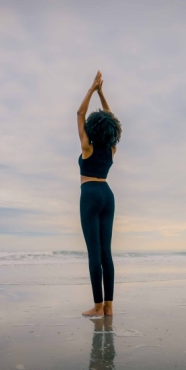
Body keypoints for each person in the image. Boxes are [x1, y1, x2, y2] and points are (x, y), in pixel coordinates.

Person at [77, 71, 122, 316]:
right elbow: (113, 121)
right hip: (108, 194)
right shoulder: (112, 149)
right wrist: (103, 94)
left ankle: (97, 307)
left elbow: (79, 114)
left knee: (94, 252)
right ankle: (110, 307)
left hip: (90, 194)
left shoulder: (87, 148)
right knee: (107, 252)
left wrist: (92, 90)